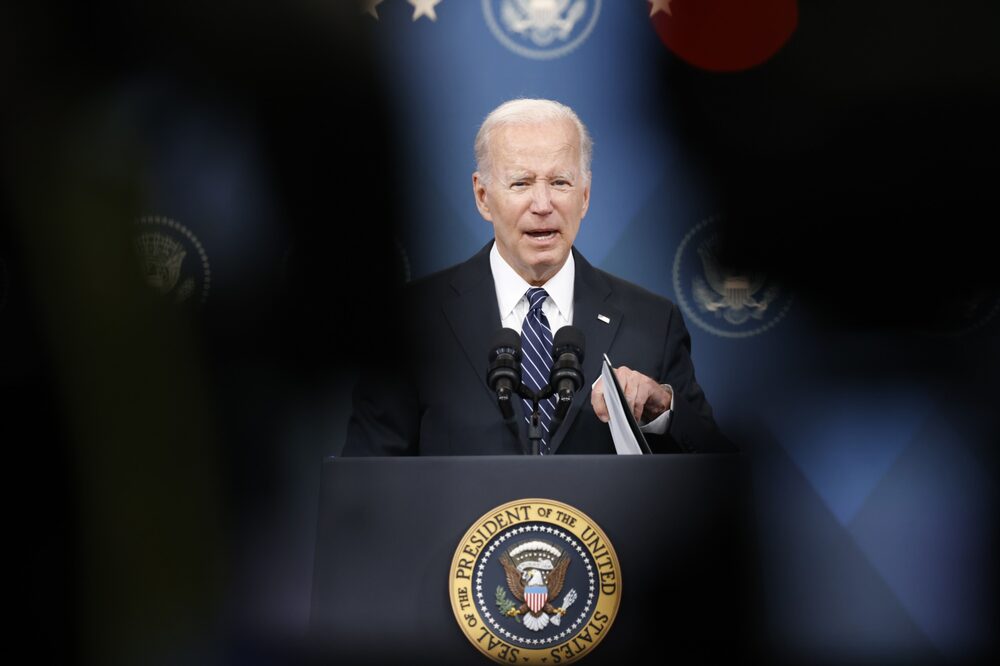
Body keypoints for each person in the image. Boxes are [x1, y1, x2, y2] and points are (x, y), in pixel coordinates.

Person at [343, 98, 731, 455]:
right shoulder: (410, 323)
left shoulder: (652, 322)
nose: (543, 205)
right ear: (483, 197)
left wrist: (663, 410)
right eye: (521, 183)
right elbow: (366, 486)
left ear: (585, 195)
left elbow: (716, 471)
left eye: (560, 182)